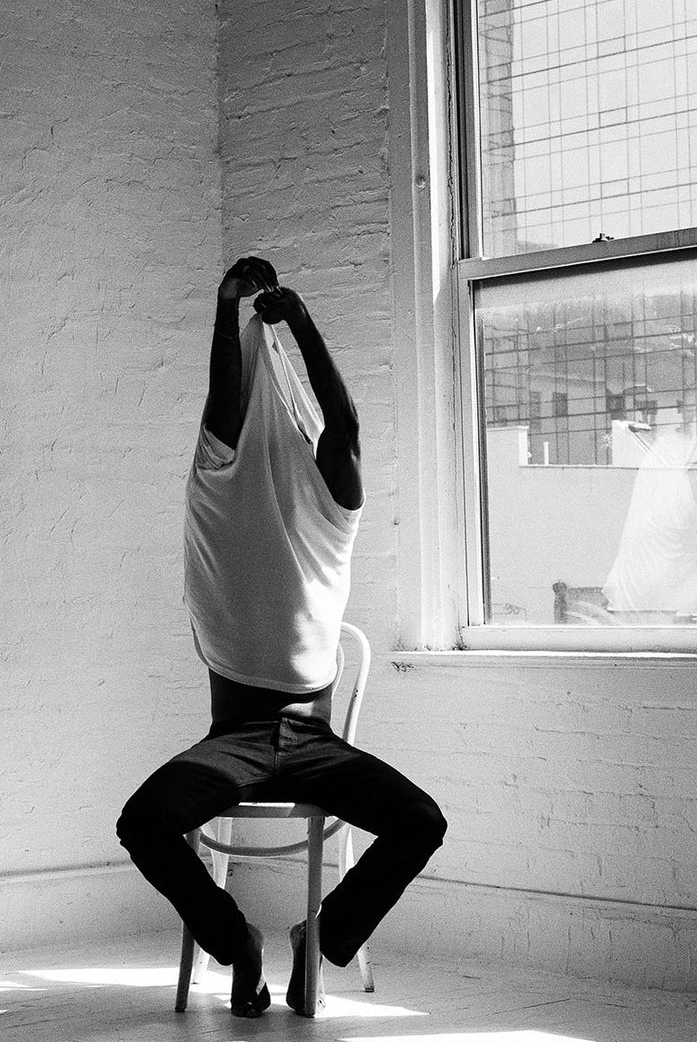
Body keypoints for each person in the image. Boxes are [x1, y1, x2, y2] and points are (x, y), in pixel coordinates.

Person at [117, 256, 446, 1018]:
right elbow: (224, 409)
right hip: (231, 739)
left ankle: (318, 936)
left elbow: (345, 424)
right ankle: (237, 943)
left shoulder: (333, 508)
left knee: (421, 821)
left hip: (313, 741)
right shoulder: (219, 489)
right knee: (142, 820)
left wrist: (297, 323)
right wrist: (228, 311)